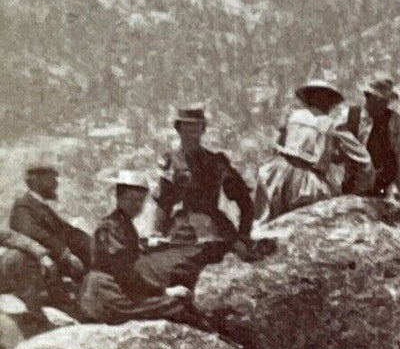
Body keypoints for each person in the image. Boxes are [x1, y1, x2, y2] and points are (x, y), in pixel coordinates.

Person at [79, 171, 199, 326]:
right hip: (106, 296)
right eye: (131, 199)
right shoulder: (110, 227)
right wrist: (163, 291)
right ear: (119, 198)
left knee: (175, 302)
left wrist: (142, 245)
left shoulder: (122, 223)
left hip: (113, 290)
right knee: (174, 305)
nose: (137, 205)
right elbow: (123, 272)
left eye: (140, 201)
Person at [254, 79, 374, 223]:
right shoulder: (330, 124)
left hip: (277, 173)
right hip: (306, 183)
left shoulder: (292, 117)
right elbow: (362, 157)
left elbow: (283, 144)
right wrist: (362, 185)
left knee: (268, 223)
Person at [154, 104, 256, 256]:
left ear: (203, 129)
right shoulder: (171, 162)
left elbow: (245, 201)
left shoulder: (217, 162)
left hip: (216, 226)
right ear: (178, 128)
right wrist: (159, 235)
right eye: (187, 125)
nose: (191, 130)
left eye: (196, 125)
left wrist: (243, 236)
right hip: (181, 229)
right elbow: (163, 205)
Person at [7, 154, 90, 314]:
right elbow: (36, 235)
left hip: (60, 263)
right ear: (37, 180)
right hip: (44, 268)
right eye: (52, 178)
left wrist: (95, 243)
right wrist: (65, 254)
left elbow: (69, 232)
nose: (56, 183)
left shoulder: (41, 206)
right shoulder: (23, 207)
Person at [353, 76, 400, 201]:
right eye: (379, 100)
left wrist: (397, 190)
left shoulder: (395, 122)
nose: (384, 105)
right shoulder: (351, 117)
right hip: (355, 187)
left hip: (385, 188)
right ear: (367, 96)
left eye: (386, 101)